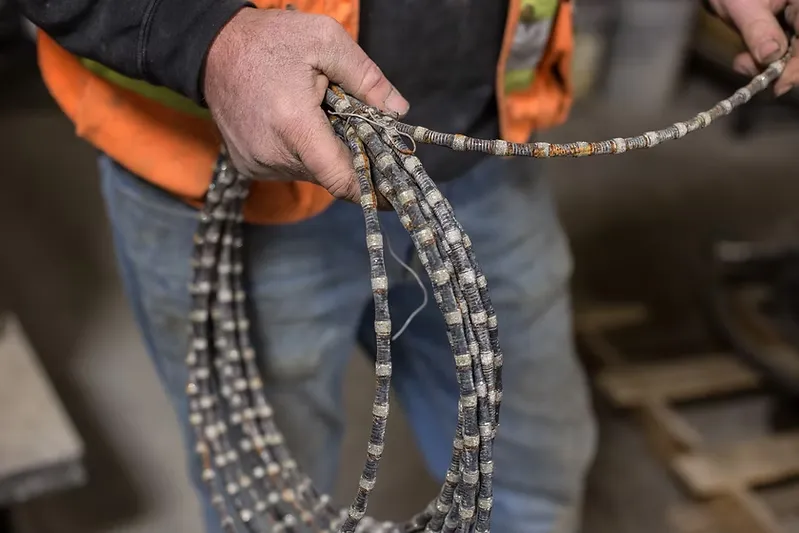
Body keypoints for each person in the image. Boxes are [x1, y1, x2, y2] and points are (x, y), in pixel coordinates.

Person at [11, 0, 799, 532]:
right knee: (268, 507)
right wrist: (204, 36)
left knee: (533, 471)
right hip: (217, 164)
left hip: (478, 145)